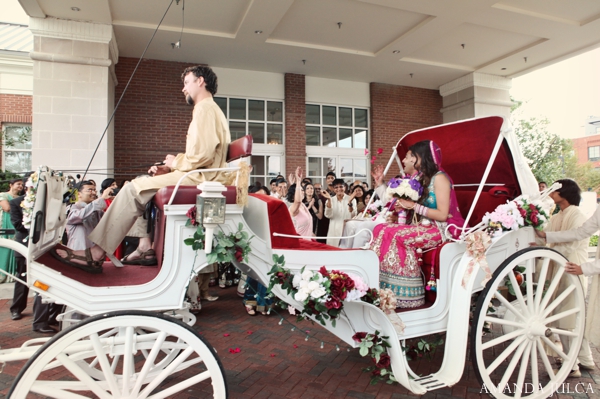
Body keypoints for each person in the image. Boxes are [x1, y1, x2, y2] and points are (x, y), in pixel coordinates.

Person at [53, 65, 231, 272]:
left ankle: (96, 253)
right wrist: (170, 168)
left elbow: (203, 154)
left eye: (186, 83)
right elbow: (204, 154)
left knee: (132, 189)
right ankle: (144, 246)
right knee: (139, 184)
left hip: (202, 179)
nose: (183, 89)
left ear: (201, 81)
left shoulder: (205, 108)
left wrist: (175, 163)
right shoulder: (208, 109)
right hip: (199, 175)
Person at [370, 140, 463, 309]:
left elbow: (442, 214)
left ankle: (407, 295)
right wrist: (399, 214)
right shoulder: (420, 179)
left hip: (439, 228)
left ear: (419, 157)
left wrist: (413, 206)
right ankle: (382, 288)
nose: (406, 160)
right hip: (422, 224)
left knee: (397, 235)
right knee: (380, 228)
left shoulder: (440, 178)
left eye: (409, 156)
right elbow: (412, 209)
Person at [532, 179, 594, 377]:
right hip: (559, 267)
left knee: (568, 315)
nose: (551, 192)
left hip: (570, 268)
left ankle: (572, 364)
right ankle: (585, 359)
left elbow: (572, 241)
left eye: (555, 189)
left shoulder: (577, 215)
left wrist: (544, 241)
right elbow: (546, 235)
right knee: (570, 314)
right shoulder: (558, 215)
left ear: (565, 192)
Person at [10, 185, 60, 332]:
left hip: (41, 246)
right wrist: (36, 224)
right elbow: (17, 225)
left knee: (40, 280)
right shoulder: (16, 202)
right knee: (22, 278)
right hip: (24, 244)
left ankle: (47, 315)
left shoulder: (46, 203)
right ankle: (16, 308)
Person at [242, 185, 275, 316]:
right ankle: (249, 300)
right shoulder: (246, 210)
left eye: (264, 196)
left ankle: (264, 303)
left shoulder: (270, 208)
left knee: (266, 273)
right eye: (257, 196)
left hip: (267, 244)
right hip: (251, 243)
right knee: (253, 273)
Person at [65, 181, 113, 252]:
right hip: (77, 254)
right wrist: (101, 198)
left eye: (94, 190)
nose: (94, 193)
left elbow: (109, 220)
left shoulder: (94, 210)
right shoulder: (71, 209)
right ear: (78, 194)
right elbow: (81, 215)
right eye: (90, 190)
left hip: (93, 255)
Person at [0, 178, 23, 282]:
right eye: (18, 184)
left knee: (15, 247)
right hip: (6, 224)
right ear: (11, 185)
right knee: (6, 247)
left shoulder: (20, 198)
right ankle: (2, 274)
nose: (20, 186)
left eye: (22, 185)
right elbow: (7, 208)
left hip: (16, 224)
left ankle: (12, 275)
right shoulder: (3, 195)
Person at [322, 178, 357, 246]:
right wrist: (329, 200)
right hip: (334, 232)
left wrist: (350, 202)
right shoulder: (330, 200)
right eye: (336, 187)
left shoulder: (352, 199)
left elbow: (353, 216)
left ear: (345, 187)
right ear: (333, 189)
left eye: (341, 186)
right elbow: (328, 215)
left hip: (347, 232)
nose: (339, 189)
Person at [285, 167, 314, 238]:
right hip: (300, 242)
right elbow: (297, 201)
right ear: (293, 195)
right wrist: (298, 180)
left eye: (302, 190)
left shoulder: (302, 205)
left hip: (308, 240)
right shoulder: (293, 208)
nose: (303, 192)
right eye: (300, 190)